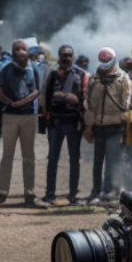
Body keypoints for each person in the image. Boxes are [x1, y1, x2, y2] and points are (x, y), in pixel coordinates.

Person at [0, 39, 42, 206]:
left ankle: (29, 191)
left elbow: (38, 90)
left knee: (29, 156)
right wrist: (10, 102)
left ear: (28, 52)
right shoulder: (6, 69)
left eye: (23, 49)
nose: (21, 52)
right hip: (10, 116)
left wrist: (23, 102)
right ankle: (2, 191)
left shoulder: (33, 68)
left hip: (28, 116)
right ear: (13, 53)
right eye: (17, 49)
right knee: (7, 155)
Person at [85, 47, 132, 204]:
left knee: (112, 161)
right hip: (98, 126)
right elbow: (90, 105)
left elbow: (126, 104)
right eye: (102, 61)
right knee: (97, 162)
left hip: (115, 126)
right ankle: (96, 191)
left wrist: (124, 125)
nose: (104, 63)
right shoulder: (94, 79)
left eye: (107, 61)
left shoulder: (123, 79)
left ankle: (110, 191)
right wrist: (89, 126)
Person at [41, 44, 87, 205]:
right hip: (55, 122)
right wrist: (46, 116)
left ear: (72, 57)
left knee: (74, 159)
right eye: (64, 55)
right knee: (52, 159)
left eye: (69, 55)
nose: (67, 58)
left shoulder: (80, 75)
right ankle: (50, 195)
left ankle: (73, 195)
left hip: (73, 122)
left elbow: (84, 98)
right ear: (59, 57)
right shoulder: (52, 74)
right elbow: (45, 96)